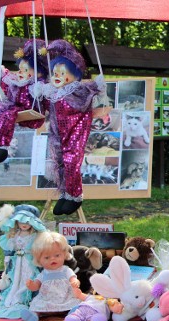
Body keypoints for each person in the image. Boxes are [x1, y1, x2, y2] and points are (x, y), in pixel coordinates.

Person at [40, 39, 104, 216]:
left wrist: (99, 86)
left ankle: (75, 195)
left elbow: (92, 94)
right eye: (54, 73)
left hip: (75, 132)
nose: (57, 76)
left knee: (71, 161)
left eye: (62, 72)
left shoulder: (78, 90)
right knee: (59, 162)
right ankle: (65, 193)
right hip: (58, 134)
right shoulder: (53, 92)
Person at [0, 39, 48, 165]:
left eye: (26, 70)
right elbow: (7, 87)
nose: (21, 73)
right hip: (15, 108)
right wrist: (0, 72)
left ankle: (2, 146)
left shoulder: (37, 86)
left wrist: (41, 93)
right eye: (20, 69)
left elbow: (49, 99)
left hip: (32, 112)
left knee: (6, 115)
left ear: (38, 73)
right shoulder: (16, 82)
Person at [0, 204, 48, 319]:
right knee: (15, 278)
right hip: (17, 261)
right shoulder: (15, 234)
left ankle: (24, 298)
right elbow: (9, 248)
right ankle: (13, 296)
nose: (24, 224)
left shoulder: (35, 236)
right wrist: (7, 258)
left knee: (28, 277)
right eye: (21, 221)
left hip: (29, 262)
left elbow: (39, 249)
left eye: (28, 222)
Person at [21, 231, 81, 321]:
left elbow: (72, 278)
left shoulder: (65, 270)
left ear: (64, 254)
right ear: (39, 259)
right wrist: (32, 285)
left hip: (65, 298)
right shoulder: (43, 274)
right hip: (47, 300)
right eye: (47, 257)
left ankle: (73, 314)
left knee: (75, 302)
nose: (53, 259)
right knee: (36, 304)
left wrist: (75, 281)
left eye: (57, 255)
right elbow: (36, 286)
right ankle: (34, 315)